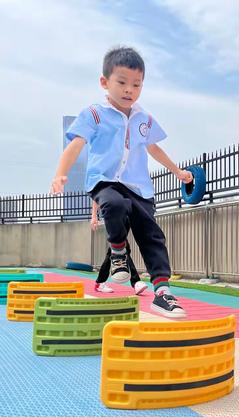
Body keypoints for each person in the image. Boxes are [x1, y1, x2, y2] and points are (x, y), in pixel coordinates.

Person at [50, 46, 192, 318]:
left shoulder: (144, 118)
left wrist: (176, 171)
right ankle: (118, 253)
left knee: (152, 235)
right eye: (122, 82)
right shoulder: (94, 114)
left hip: (138, 187)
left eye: (137, 84)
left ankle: (162, 292)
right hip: (105, 181)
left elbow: (154, 148)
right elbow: (76, 144)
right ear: (105, 82)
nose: (130, 90)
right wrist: (60, 173)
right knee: (114, 205)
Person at [90, 201, 147, 295]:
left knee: (116, 249)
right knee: (122, 246)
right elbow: (96, 195)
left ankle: (100, 282)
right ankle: (136, 282)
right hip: (112, 214)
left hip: (127, 214)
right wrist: (94, 216)